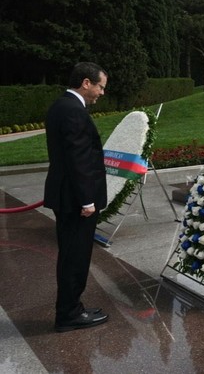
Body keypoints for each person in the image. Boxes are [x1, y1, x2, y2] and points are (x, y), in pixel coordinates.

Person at [44, 62, 110, 332]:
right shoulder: (74, 112)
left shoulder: (61, 106)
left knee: (71, 255)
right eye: (100, 86)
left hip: (66, 196)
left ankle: (72, 307)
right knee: (75, 258)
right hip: (75, 200)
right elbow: (78, 160)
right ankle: (69, 314)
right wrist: (87, 201)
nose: (101, 93)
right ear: (86, 83)